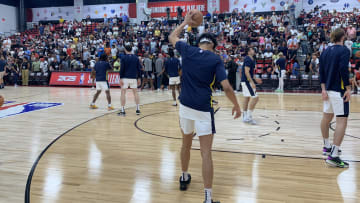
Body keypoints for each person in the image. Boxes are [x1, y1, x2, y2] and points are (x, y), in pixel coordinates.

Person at [169, 11, 241, 203]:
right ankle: (208, 198)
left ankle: (184, 176)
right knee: (206, 153)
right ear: (213, 47)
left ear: (199, 42)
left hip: (185, 106)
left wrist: (185, 22)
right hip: (203, 108)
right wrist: (236, 105)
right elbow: (226, 86)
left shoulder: (188, 50)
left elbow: (172, 37)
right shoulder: (215, 59)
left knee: (185, 144)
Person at [319, 28, 351, 168]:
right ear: (343, 37)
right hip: (339, 90)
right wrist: (348, 88)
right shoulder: (344, 50)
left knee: (326, 117)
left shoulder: (325, 51)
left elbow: (321, 71)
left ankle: (327, 146)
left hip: (328, 90)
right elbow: (343, 69)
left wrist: (323, 89)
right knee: (341, 121)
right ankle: (334, 155)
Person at [119, 45, 142, 116]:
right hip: (133, 77)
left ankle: (123, 110)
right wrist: (139, 78)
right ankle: (138, 109)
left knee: (123, 93)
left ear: (125, 50)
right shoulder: (136, 58)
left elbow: (122, 69)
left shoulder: (123, 58)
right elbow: (139, 69)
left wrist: (120, 78)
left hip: (125, 77)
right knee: (135, 93)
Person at [241, 47, 260, 125]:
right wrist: (252, 82)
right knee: (255, 98)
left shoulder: (251, 59)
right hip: (247, 81)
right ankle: (248, 117)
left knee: (247, 98)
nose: (254, 50)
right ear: (248, 52)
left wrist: (255, 78)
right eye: (252, 49)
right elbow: (246, 72)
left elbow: (251, 73)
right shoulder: (248, 59)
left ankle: (245, 116)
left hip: (246, 81)